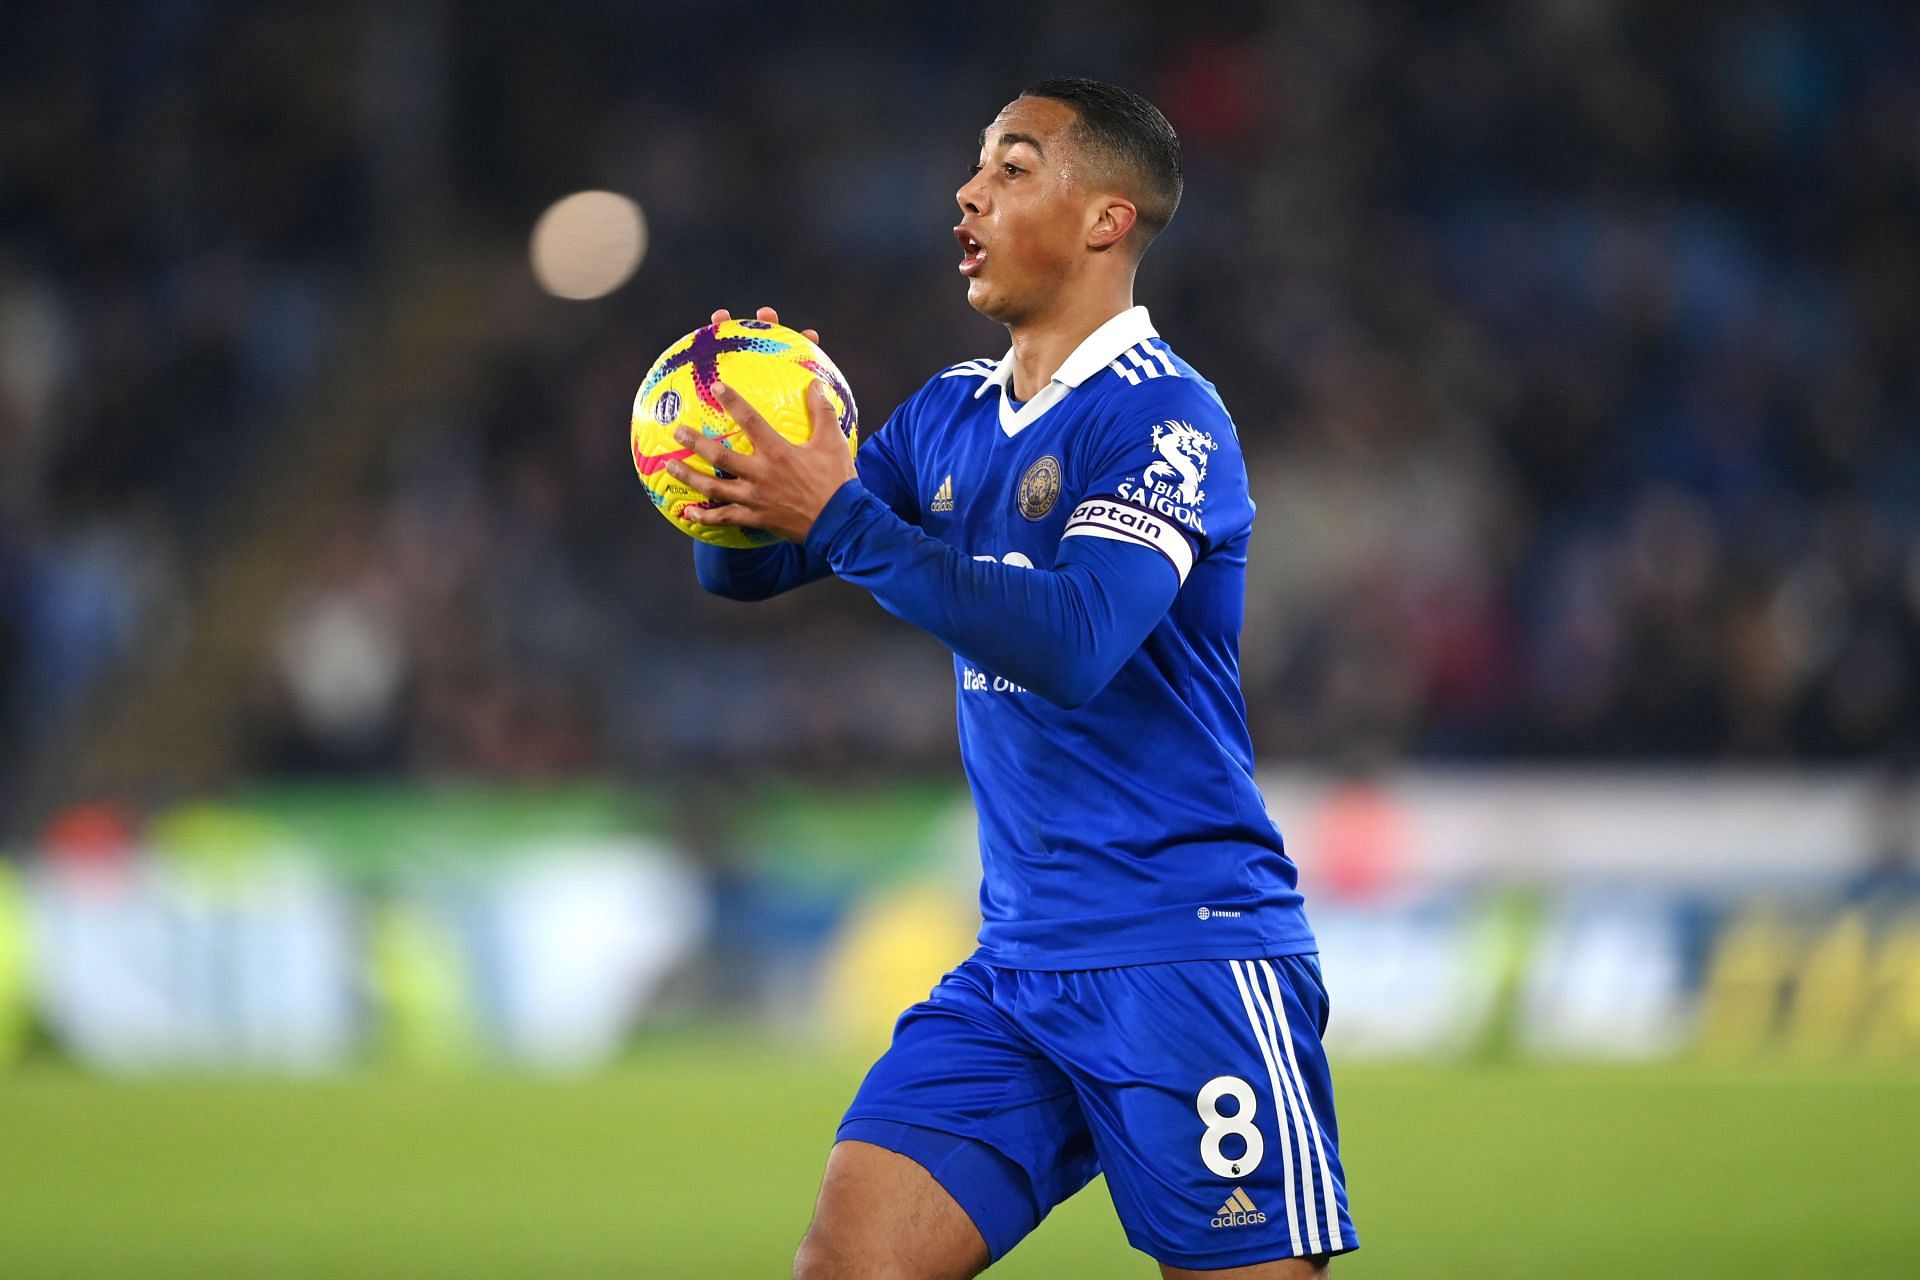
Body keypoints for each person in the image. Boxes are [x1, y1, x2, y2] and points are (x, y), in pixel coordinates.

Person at [670, 77, 1357, 1280]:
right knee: (847, 1264)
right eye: (977, 164)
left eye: (1014, 164)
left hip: (1183, 950)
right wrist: (729, 441)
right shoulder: (947, 414)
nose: (968, 191)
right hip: (1017, 968)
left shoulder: (1165, 420)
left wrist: (835, 511)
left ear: (1105, 219)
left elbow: (1074, 641)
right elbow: (751, 575)